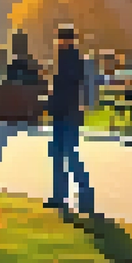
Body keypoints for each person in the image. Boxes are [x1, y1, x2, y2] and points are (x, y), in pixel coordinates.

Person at [46, 24, 94, 219]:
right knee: (58, 155)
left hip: (68, 112)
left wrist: (53, 98)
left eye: (60, 39)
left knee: (69, 155)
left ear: (67, 40)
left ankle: (84, 194)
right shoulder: (64, 60)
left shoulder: (72, 61)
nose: (58, 43)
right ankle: (60, 195)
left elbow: (70, 88)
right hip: (61, 111)